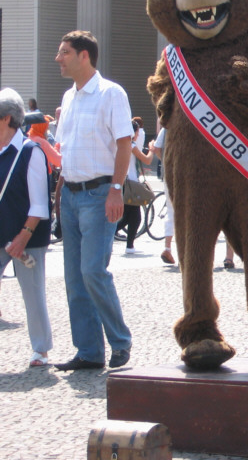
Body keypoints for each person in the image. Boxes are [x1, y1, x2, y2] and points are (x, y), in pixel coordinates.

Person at [53, 30, 134, 371]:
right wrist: (58, 196)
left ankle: (120, 341)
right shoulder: (69, 97)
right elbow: (65, 150)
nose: (59, 58)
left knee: (92, 272)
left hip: (100, 195)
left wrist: (116, 190)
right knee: (74, 278)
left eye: (65, 52)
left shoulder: (110, 93)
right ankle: (88, 351)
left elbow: (124, 144)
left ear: (84, 55)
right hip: (70, 195)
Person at [0, 88, 53, 367]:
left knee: (32, 290)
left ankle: (40, 350)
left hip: (27, 237)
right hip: (1, 234)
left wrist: (23, 236)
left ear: (8, 119)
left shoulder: (30, 151)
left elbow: (39, 204)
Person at [117, 121, 154, 255]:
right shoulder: (131, 145)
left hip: (126, 182)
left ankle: (129, 245)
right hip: (129, 183)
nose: (138, 135)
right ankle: (118, 239)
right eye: (137, 132)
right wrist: (152, 149)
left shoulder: (121, 143)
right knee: (133, 216)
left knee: (131, 216)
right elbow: (147, 160)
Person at [151, 127, 176, 264]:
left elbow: (156, 148)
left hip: (169, 174)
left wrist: (165, 161)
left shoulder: (166, 127)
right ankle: (185, 251)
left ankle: (167, 247)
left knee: (170, 211)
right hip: (190, 176)